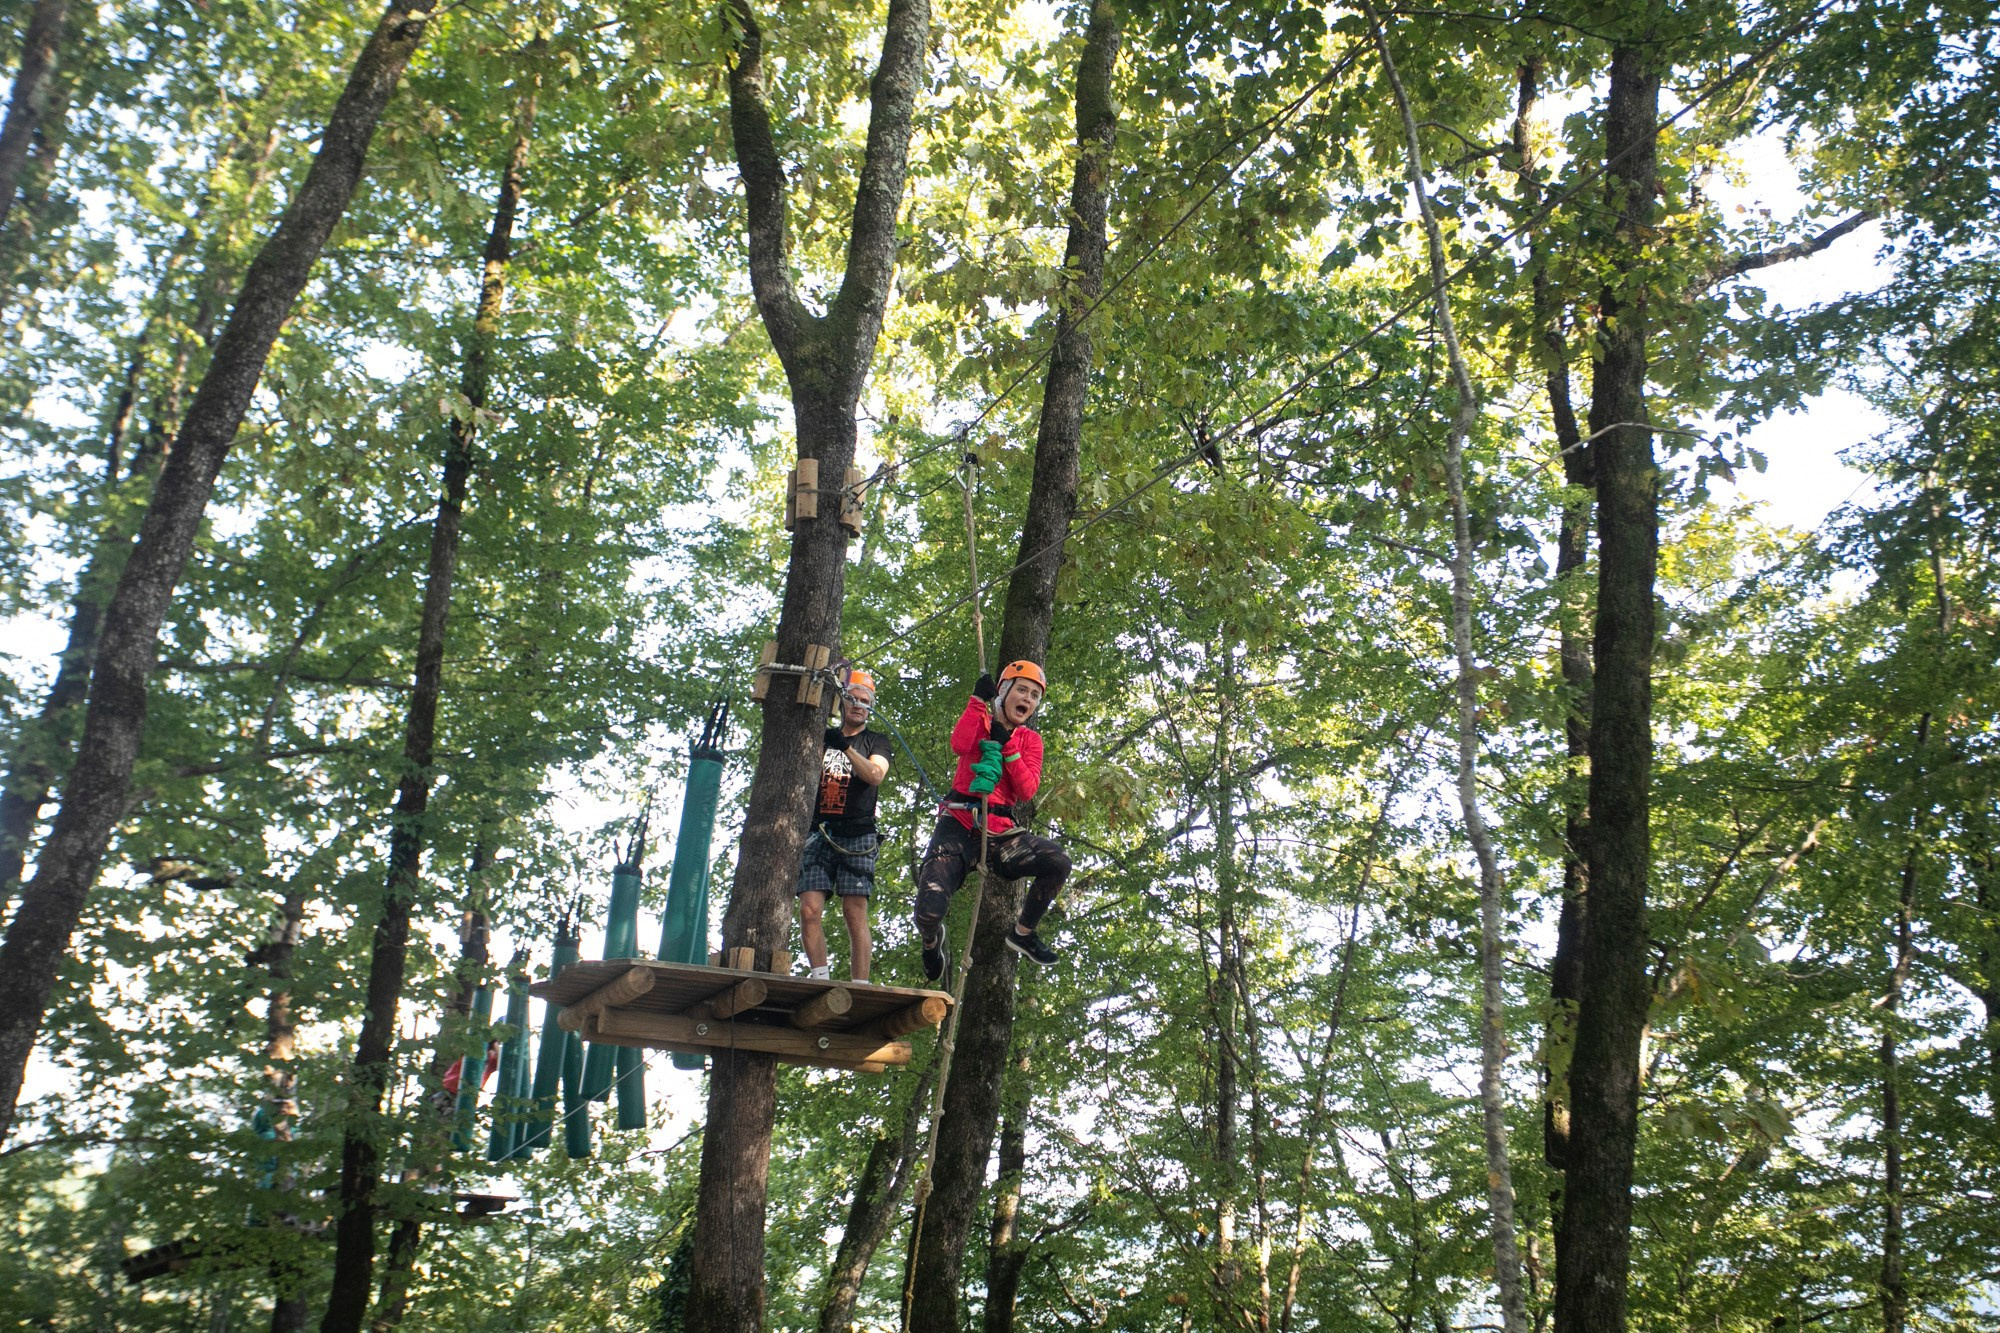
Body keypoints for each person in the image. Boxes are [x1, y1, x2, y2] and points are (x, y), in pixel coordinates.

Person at [912, 660, 1072, 982]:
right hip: (958, 823)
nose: (1028, 699)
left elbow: (1027, 790)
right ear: (1004, 691)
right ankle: (931, 941)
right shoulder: (980, 720)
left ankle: (1023, 933)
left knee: (1058, 862)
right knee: (928, 910)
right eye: (1022, 690)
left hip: (1001, 834)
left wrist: (1008, 746)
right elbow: (960, 744)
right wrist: (976, 701)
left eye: (1035, 696)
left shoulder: (1030, 740)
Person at [795, 669, 892, 981]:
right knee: (809, 908)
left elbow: (875, 775)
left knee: (854, 911)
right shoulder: (821, 737)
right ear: (841, 702)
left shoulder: (875, 741)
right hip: (819, 832)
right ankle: (820, 978)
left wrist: (845, 748)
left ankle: (860, 984)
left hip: (858, 834)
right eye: (852, 698)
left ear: (871, 708)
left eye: (865, 701)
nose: (858, 705)